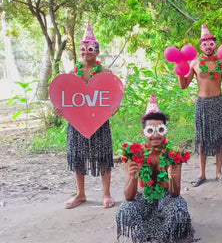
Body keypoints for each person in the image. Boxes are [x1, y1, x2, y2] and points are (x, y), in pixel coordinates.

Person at [116, 94, 193, 243]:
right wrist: (133, 176)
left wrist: (171, 178)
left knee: (179, 208)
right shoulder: (133, 155)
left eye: (160, 130)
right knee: (125, 209)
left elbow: (175, 193)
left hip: (166, 198)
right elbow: (128, 197)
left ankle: (165, 236)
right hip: (142, 198)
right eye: (151, 130)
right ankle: (144, 236)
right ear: (143, 132)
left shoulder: (173, 155)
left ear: (166, 130)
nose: (156, 135)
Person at [57, 22, 116, 209]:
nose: (85, 53)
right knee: (78, 155)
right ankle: (80, 194)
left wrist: (114, 107)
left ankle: (106, 194)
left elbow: (113, 97)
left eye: (90, 49)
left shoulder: (106, 74)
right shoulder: (72, 74)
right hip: (78, 122)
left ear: (97, 52)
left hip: (100, 122)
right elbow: (63, 97)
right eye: (83, 49)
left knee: (104, 155)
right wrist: (60, 109)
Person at [179, 24, 222, 187]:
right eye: (205, 44)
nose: (208, 47)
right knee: (202, 139)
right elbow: (184, 85)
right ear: (200, 46)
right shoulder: (195, 63)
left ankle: (219, 172)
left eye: (211, 43)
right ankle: (202, 174)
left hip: (218, 102)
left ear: (215, 45)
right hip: (202, 104)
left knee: (220, 138)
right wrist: (179, 70)